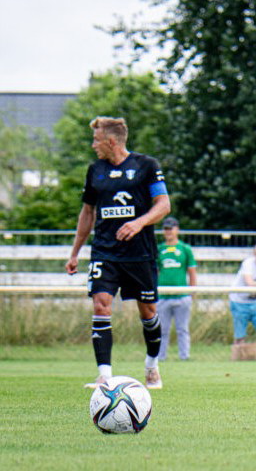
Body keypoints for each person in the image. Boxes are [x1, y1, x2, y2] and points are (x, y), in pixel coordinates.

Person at [65, 116, 171, 390]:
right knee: (101, 304)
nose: (93, 145)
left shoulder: (147, 166)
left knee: (148, 312)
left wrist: (138, 223)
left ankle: (151, 366)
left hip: (139, 254)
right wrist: (75, 252)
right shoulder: (95, 170)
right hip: (105, 252)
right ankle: (104, 375)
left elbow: (163, 205)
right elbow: (87, 213)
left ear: (111, 141)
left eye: (96, 140)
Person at [157, 216, 197, 361]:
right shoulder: (159, 249)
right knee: (162, 329)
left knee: (182, 328)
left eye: (171, 229)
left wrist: (192, 292)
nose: (168, 232)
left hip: (182, 295)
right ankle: (160, 357)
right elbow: (156, 272)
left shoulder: (185, 249)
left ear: (177, 230)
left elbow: (192, 272)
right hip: (163, 295)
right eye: (166, 229)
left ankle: (184, 356)